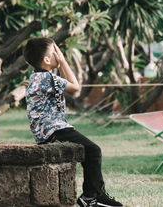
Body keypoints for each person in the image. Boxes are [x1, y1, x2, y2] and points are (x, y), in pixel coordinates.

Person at [23, 37, 123, 207]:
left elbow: (69, 87)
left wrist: (59, 61)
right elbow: (76, 87)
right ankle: (91, 197)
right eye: (56, 51)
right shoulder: (47, 78)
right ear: (47, 59)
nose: (59, 54)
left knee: (90, 150)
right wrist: (63, 62)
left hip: (47, 129)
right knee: (93, 151)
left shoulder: (38, 76)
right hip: (53, 130)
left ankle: (97, 193)